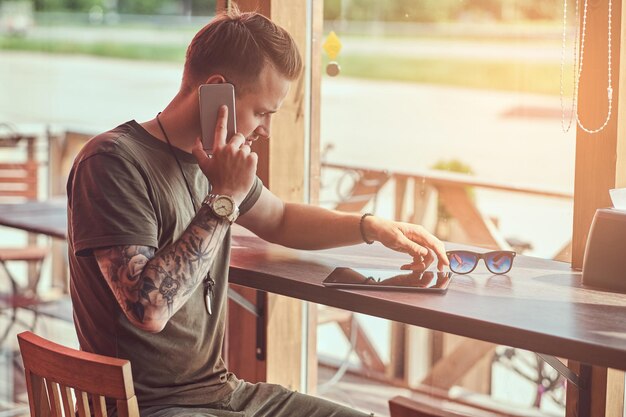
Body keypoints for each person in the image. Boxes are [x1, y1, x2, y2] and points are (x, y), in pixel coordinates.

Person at [67, 7, 449, 417]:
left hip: (219, 393)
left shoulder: (215, 166)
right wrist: (224, 199)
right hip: (145, 408)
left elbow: (281, 218)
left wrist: (371, 226)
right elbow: (149, 309)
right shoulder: (111, 162)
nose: (265, 129)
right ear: (217, 92)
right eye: (262, 111)